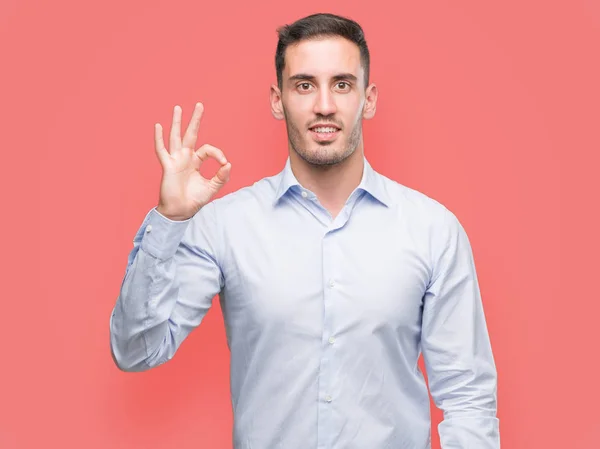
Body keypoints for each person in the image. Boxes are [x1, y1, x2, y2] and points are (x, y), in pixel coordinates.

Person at [109, 12, 500, 449]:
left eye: (342, 84)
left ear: (368, 99)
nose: (325, 106)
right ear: (278, 100)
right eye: (304, 85)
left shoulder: (433, 231)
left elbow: (468, 399)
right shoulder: (225, 227)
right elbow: (136, 350)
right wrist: (170, 220)